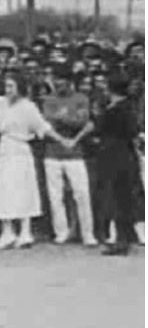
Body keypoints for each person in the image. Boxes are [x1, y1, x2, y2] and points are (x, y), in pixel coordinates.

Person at [0, 73, 74, 249]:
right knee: (4, 190)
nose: (8, 90)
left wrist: (62, 140)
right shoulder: (1, 103)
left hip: (21, 151)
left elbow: (43, 126)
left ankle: (25, 233)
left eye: (11, 86)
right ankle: (7, 233)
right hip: (5, 150)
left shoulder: (28, 107)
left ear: (20, 87)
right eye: (6, 86)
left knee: (23, 190)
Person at [41, 68, 98, 246]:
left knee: (81, 194)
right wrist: (68, 118)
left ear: (70, 82)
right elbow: (46, 123)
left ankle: (87, 233)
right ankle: (61, 232)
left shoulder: (81, 99)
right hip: (52, 153)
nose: (60, 84)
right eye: (57, 81)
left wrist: (62, 118)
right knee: (55, 196)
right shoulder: (49, 100)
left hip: (75, 152)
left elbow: (82, 121)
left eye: (63, 81)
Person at [90, 74, 141, 256]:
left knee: (119, 197)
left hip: (116, 155)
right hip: (121, 154)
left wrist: (99, 118)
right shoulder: (126, 107)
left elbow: (127, 130)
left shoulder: (119, 109)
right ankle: (123, 237)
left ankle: (122, 240)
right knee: (120, 197)